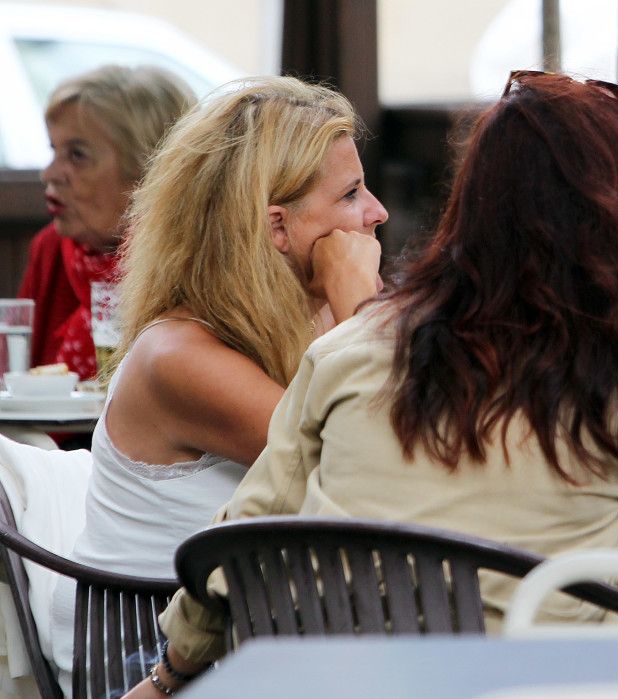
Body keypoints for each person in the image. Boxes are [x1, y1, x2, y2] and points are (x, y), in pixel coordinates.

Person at [126, 71, 618, 696]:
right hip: (561, 683)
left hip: (355, 687)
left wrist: (170, 673)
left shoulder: (347, 351)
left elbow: (246, 531)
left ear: (470, 205)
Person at [50, 76, 386, 692]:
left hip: (246, 636)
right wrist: (360, 312)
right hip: (147, 657)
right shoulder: (178, 358)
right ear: (278, 228)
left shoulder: (296, 324)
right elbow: (367, 465)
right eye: (352, 193)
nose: (377, 213)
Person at [18, 65, 195, 379]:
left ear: (148, 168)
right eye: (54, 150)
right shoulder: (52, 248)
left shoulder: (193, 263)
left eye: (77, 155)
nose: (50, 174)